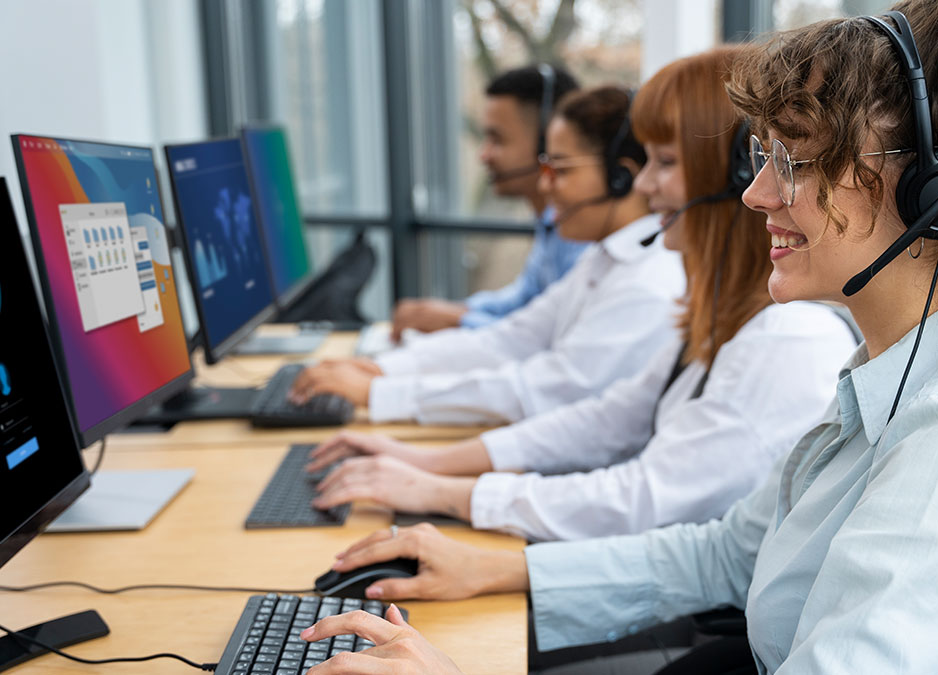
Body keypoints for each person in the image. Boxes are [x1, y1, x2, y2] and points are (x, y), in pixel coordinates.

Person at [299, 0, 938, 672]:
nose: (756, 197)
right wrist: (495, 570)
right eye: (763, 162)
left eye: (793, 162)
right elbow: (728, 549)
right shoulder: (886, 374)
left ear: (933, 194)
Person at [302, 47, 858, 542]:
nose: (642, 186)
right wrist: (426, 464)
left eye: (664, 164)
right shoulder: (721, 318)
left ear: (733, 180)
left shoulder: (781, 340)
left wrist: (443, 489)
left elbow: (643, 494)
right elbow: (607, 418)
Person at [290, 87, 685, 426]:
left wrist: (381, 392)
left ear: (621, 177)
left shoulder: (647, 284)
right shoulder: (605, 258)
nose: (546, 187)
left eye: (560, 170)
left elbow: (544, 389)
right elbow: (508, 341)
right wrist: (381, 370)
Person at [388, 65, 591, 339]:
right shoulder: (551, 223)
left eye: (497, 139)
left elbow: (549, 339)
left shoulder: (582, 234)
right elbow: (523, 301)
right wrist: (454, 311)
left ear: (548, 144)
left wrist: (459, 319)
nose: (483, 155)